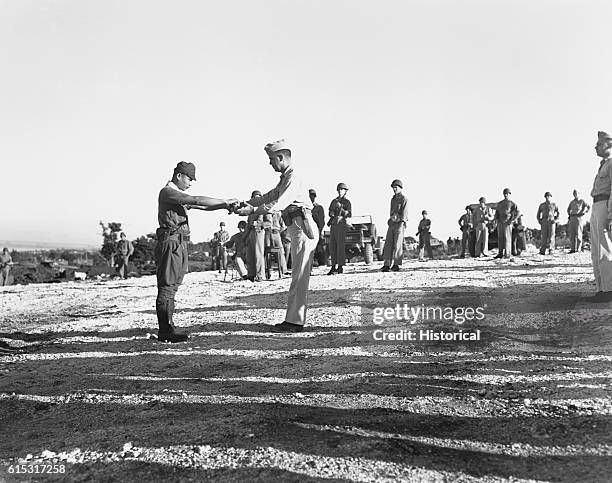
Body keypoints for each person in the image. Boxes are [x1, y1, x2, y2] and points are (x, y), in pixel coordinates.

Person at [236, 139, 318, 332]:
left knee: (299, 276)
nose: (270, 163)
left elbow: (278, 203)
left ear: (281, 158)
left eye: (272, 159)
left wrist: (253, 210)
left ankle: (295, 322)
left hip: (302, 227)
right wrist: (246, 204)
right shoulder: (286, 177)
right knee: (298, 276)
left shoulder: (293, 177)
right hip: (296, 226)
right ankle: (293, 320)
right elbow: (270, 195)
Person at [155, 161, 237, 342]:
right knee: (167, 286)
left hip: (178, 244)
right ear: (178, 176)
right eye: (189, 179)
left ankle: (168, 327)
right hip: (171, 243)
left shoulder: (177, 195)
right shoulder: (168, 192)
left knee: (173, 286)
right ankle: (165, 332)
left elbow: (203, 206)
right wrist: (224, 201)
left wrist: (225, 205)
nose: (191, 182)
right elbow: (196, 200)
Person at [589, 130, 612, 301]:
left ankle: (608, 290)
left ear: (609, 145)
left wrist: (611, 214)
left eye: (599, 144)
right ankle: (601, 288)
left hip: (605, 205)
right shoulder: (603, 165)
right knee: (596, 249)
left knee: (605, 248)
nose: (596, 147)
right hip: (596, 205)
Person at [381, 179, 408, 272]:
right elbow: (391, 212)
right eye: (393, 188)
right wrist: (390, 220)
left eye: (396, 187)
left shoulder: (404, 199)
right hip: (392, 223)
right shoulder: (392, 199)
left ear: (400, 188)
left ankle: (396, 264)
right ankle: (387, 264)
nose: (394, 189)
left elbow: (404, 215)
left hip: (400, 224)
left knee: (397, 245)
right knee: (388, 244)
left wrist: (400, 221)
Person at [327, 182, 352, 275]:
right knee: (332, 246)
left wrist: (343, 211)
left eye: (342, 189)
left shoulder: (347, 202)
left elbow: (349, 214)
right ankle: (333, 266)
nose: (340, 191)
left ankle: (340, 266)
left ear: (345, 191)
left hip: (341, 224)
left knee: (340, 246)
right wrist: (332, 213)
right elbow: (330, 212)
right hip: (334, 224)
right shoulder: (334, 201)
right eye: (339, 189)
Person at [246, 190, 266, 282]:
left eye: (258, 197)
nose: (256, 199)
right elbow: (248, 223)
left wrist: (259, 224)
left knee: (258, 254)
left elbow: (269, 223)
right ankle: (251, 274)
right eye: (254, 197)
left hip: (259, 232)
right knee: (250, 254)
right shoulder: (250, 210)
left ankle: (260, 275)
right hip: (250, 233)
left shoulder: (265, 208)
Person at [494, 188, 520, 259]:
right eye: (505, 193)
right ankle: (500, 253)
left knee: (507, 238)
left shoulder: (512, 203)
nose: (506, 195)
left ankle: (507, 254)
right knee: (500, 238)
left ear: (510, 194)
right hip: (500, 222)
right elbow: (497, 212)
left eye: (507, 193)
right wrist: (495, 219)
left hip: (507, 222)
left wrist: (513, 220)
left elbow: (518, 212)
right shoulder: (500, 203)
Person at [264, 211, 288, 276]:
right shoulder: (265, 213)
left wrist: (278, 232)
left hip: (276, 233)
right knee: (267, 251)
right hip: (267, 233)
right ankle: (267, 271)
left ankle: (284, 270)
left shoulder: (278, 214)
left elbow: (283, 226)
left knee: (281, 251)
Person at [309, 189, 326, 266]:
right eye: (310, 196)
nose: (311, 197)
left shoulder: (319, 208)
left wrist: (320, 230)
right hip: (308, 229)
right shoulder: (306, 208)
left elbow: (322, 221)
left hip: (317, 229)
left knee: (319, 247)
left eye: (312, 196)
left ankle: (321, 262)